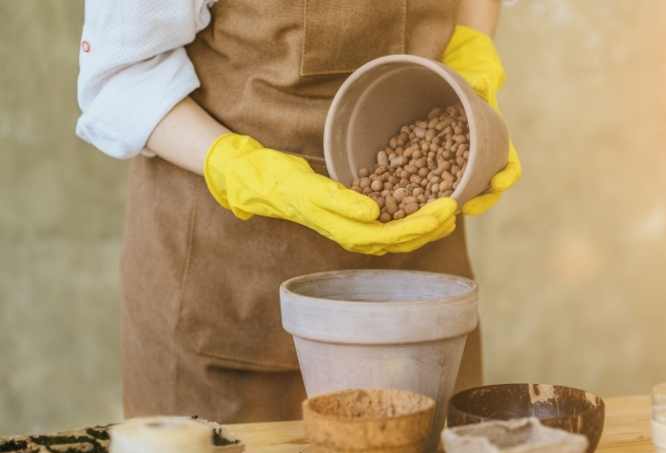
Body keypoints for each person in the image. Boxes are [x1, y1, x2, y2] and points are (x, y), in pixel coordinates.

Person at [76, 0, 521, 423]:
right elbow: (121, 76)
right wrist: (240, 169)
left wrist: (471, 50)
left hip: (416, 283)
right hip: (226, 286)